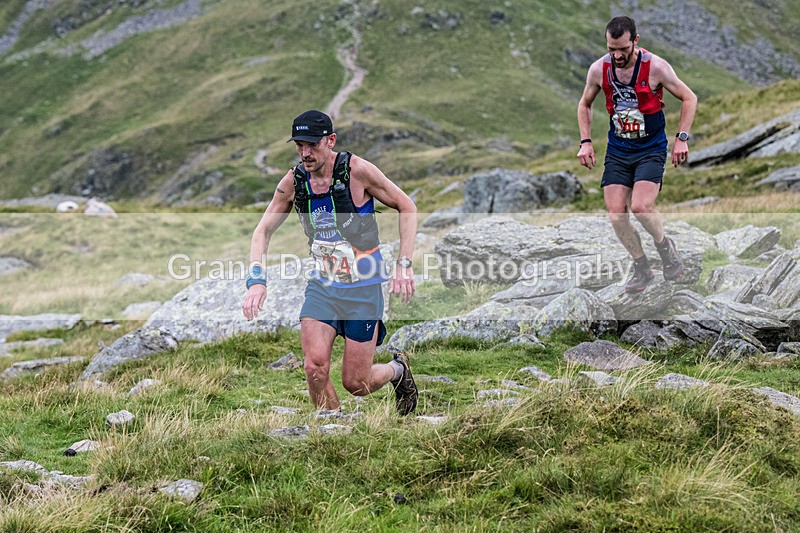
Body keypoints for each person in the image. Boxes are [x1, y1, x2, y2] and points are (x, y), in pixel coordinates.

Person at [241, 110, 419, 415]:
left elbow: (407, 206)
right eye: (299, 145)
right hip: (323, 287)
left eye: (312, 144)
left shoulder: (358, 171)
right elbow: (262, 231)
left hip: (363, 288)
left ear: (331, 140)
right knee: (314, 367)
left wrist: (404, 264)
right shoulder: (294, 182)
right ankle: (334, 429)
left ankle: (396, 370)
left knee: (357, 384)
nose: (305, 153)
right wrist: (256, 281)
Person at [577, 16, 697, 293]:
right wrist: (585, 141)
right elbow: (584, 104)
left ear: (635, 41)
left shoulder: (655, 67)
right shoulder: (599, 69)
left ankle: (665, 247)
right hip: (619, 149)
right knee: (616, 214)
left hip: (650, 147)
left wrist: (681, 139)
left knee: (642, 208)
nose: (617, 55)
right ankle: (642, 267)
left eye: (623, 49)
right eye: (611, 49)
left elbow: (689, 98)